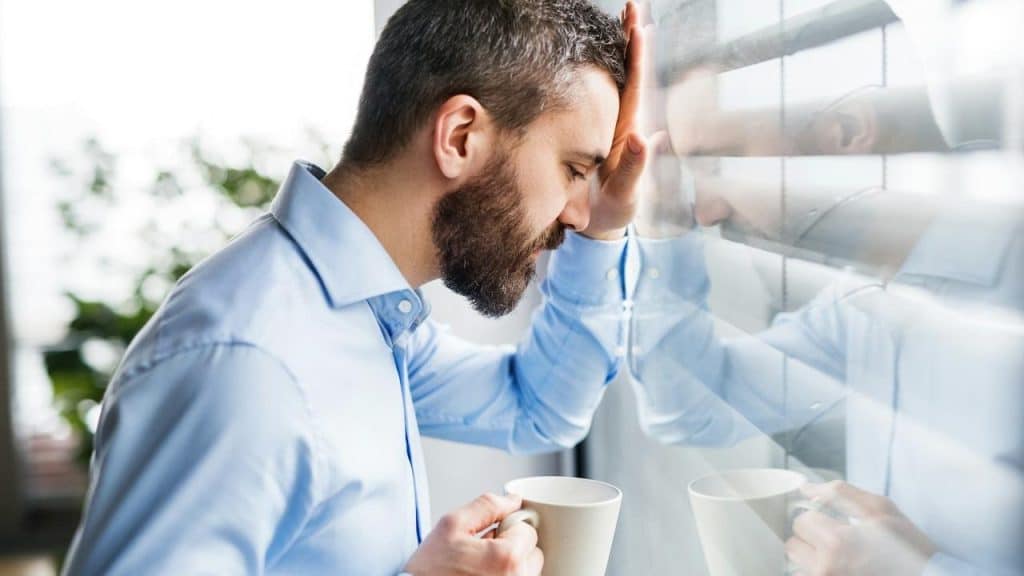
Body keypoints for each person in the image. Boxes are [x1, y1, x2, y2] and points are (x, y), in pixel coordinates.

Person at [61, 1, 649, 574]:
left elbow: (537, 406)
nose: (576, 213)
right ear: (461, 136)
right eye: (573, 170)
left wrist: (607, 226)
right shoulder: (245, 362)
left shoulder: (367, 316)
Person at [628, 1, 1024, 573]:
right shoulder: (859, 309)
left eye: (721, 162)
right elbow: (687, 405)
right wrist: (662, 226)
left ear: (845, 131)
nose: (708, 210)